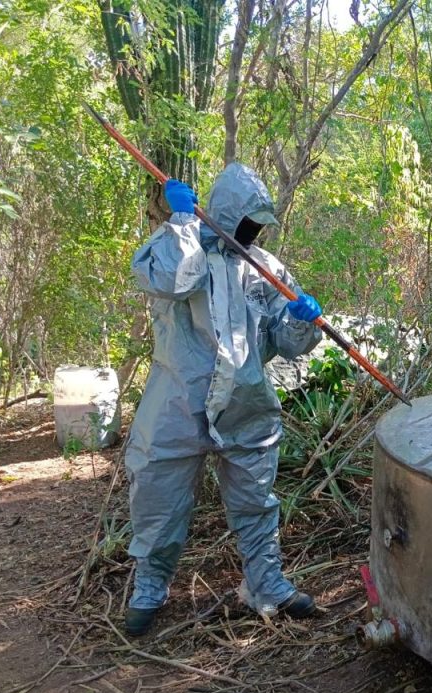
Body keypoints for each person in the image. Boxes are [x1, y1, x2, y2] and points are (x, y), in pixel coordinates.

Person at [123, 163, 324, 636]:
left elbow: (285, 342)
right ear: (226, 215)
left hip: (246, 404)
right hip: (176, 403)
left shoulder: (266, 269)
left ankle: (266, 584)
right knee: (157, 497)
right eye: (247, 222)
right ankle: (150, 586)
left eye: (260, 225)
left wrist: (302, 320)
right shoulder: (181, 247)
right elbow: (170, 280)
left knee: (256, 500)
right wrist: (182, 224)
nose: (253, 233)